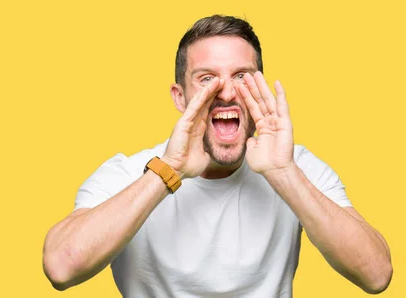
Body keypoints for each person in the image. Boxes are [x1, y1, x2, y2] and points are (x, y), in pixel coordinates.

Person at [42, 15, 392, 297]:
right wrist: (167, 172)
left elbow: (376, 275)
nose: (225, 92)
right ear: (180, 97)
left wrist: (284, 174)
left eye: (241, 76)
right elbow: (61, 267)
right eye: (207, 78)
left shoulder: (293, 165)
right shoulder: (130, 172)